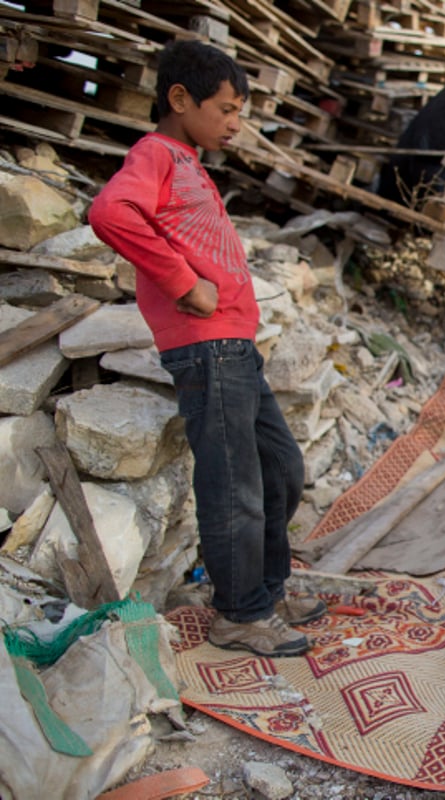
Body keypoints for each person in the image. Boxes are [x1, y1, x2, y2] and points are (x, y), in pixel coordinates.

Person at [89, 40, 324, 657]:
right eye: (225, 108)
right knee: (234, 486)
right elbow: (111, 210)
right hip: (206, 346)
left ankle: (267, 590)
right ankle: (240, 613)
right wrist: (180, 282)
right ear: (179, 99)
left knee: (280, 468)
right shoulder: (155, 153)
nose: (235, 123)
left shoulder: (187, 161)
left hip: (234, 347)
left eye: (239, 110)